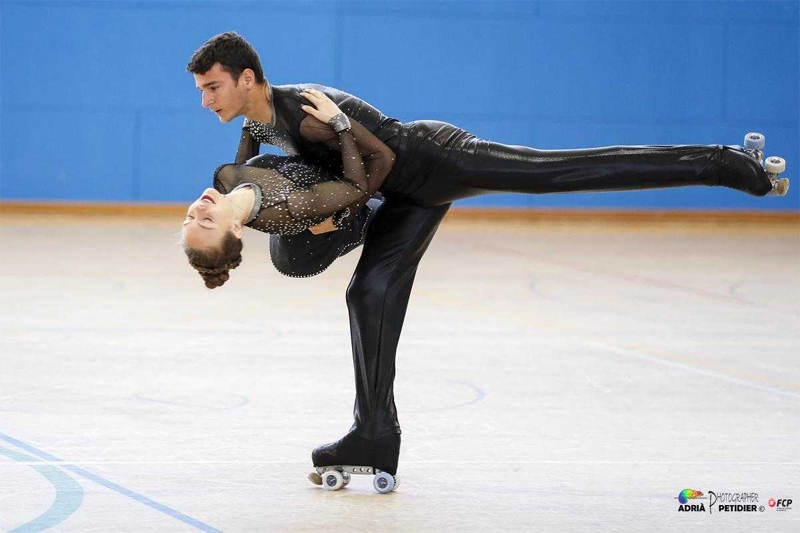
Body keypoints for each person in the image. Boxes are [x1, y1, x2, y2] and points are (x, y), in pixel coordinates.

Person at [183, 32, 788, 487]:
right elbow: (255, 158)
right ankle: (373, 434)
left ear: (247, 77)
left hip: (434, 160)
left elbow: (382, 167)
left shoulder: (309, 119)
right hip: (399, 194)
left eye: (213, 87)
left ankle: (721, 163)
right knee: (367, 294)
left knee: (558, 173)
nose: (207, 100)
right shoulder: (262, 122)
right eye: (202, 91)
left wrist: (341, 155)